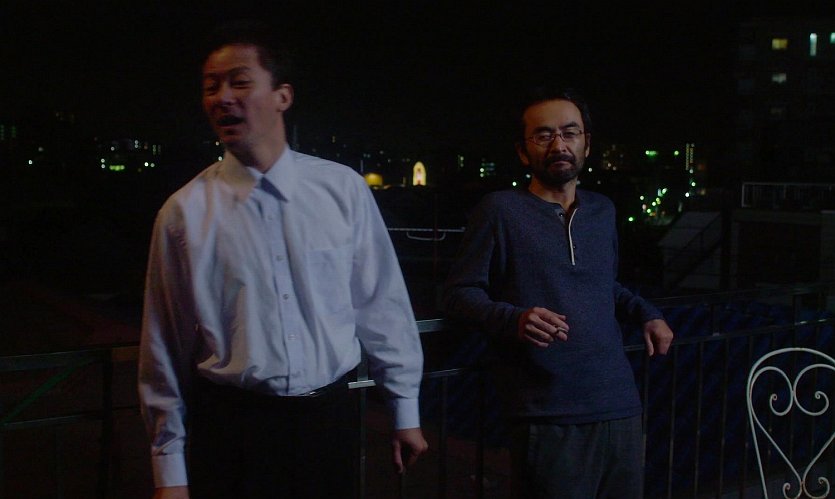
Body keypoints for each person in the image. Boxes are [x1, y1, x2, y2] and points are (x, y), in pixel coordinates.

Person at [138, 22, 427, 499]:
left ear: (282, 96)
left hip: (331, 421)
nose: (222, 98)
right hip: (232, 428)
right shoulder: (183, 213)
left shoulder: (341, 189)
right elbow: (163, 344)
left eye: (239, 82)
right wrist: (169, 470)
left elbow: (381, 304)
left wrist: (404, 410)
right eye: (210, 87)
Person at [443, 86, 674, 499]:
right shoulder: (499, 210)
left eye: (570, 132)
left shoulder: (602, 210)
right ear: (523, 151)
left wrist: (647, 313)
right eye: (543, 134)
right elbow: (459, 294)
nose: (559, 144)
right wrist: (515, 319)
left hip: (619, 403)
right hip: (546, 411)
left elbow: (605, 285)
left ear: (587, 144)